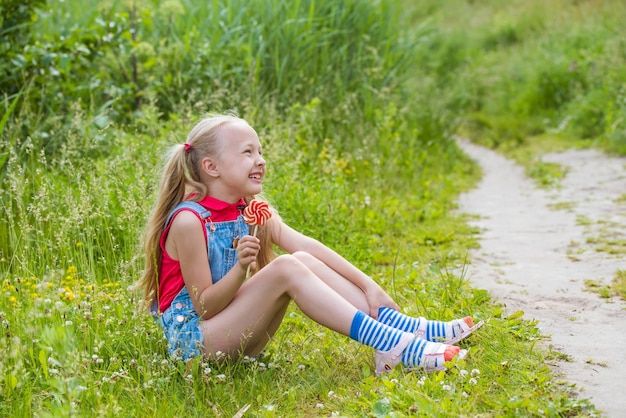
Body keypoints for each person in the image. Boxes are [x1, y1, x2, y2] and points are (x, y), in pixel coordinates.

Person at [137, 114, 482, 375]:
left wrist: (370, 286)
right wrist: (242, 267)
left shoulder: (249, 208)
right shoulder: (189, 221)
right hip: (197, 345)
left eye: (260, 151)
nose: (260, 160)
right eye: (247, 152)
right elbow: (206, 308)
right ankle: (391, 346)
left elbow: (307, 246)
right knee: (285, 267)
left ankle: (402, 327)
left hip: (239, 335)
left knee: (299, 257)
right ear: (211, 166)